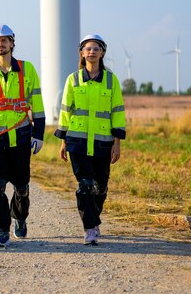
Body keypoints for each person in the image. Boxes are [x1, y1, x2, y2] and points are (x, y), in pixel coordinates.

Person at [0, 24, 45, 247]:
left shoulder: (28, 69)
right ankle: (1, 231)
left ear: (12, 43)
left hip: (22, 135)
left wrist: (39, 133)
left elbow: (38, 104)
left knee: (22, 187)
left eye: (4, 40)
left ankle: (20, 217)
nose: (0, 44)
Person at [54, 34, 126, 245]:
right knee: (85, 185)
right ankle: (89, 228)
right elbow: (66, 111)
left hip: (103, 142)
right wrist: (63, 141)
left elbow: (118, 111)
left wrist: (117, 142)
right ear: (82, 53)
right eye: (88, 48)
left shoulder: (111, 80)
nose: (92, 52)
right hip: (77, 141)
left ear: (102, 53)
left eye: (96, 48)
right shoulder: (73, 79)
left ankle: (94, 219)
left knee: (100, 186)